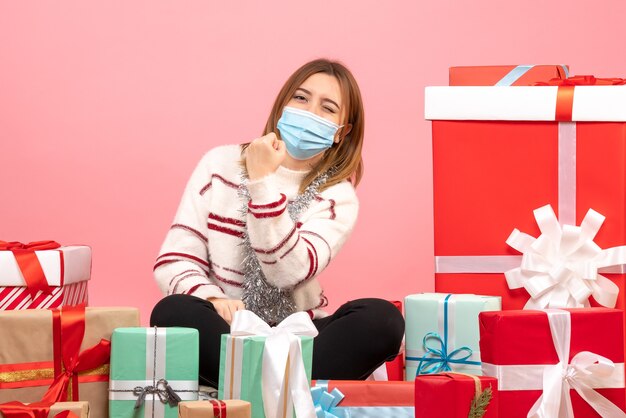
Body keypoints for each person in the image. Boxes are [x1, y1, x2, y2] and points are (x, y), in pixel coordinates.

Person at [150, 58, 404, 387]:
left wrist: (262, 182)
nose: (310, 113)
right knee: (172, 311)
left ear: (343, 132)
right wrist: (212, 298)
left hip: (300, 338)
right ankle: (285, 390)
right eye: (301, 98)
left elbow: (285, 272)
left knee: (382, 319)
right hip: (226, 331)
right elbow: (175, 260)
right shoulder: (219, 163)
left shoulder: (337, 197)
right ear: (283, 104)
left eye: (327, 108)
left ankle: (251, 387)